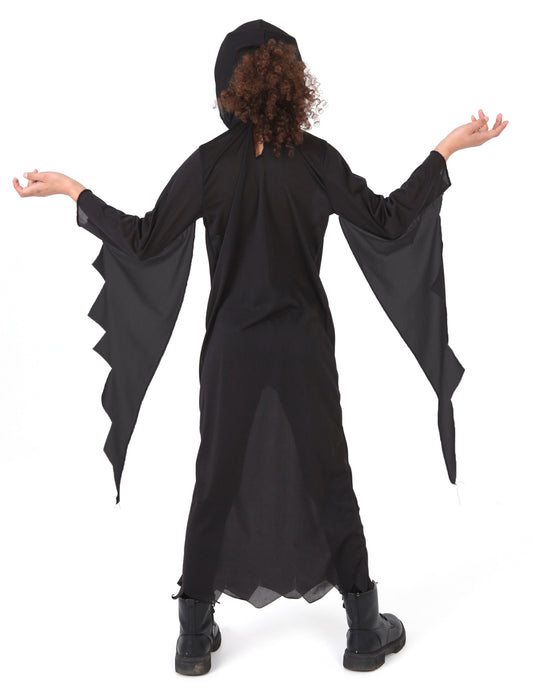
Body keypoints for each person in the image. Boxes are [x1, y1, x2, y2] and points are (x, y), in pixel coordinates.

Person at [13, 18, 507, 677]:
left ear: (227, 88)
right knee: (330, 478)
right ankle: (364, 629)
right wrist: (446, 149)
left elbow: (142, 239)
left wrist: (71, 189)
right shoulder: (316, 160)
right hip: (303, 349)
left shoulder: (209, 165)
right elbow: (389, 221)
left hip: (231, 353)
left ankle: (193, 636)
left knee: (214, 479)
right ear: (294, 83)